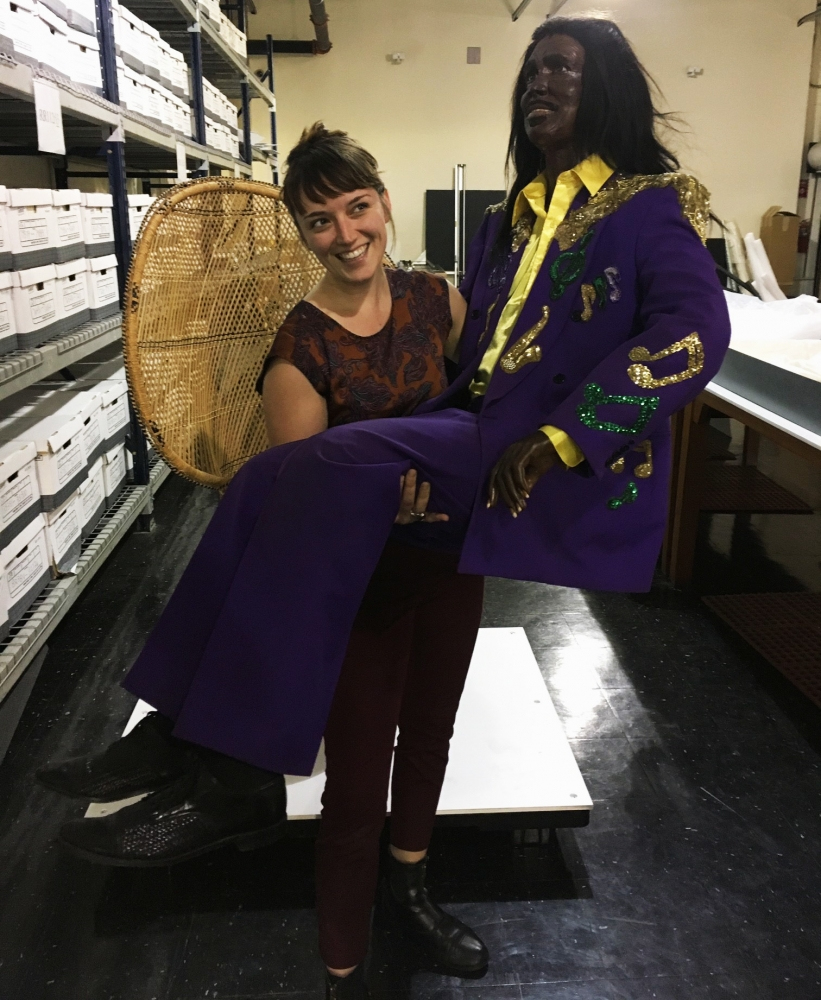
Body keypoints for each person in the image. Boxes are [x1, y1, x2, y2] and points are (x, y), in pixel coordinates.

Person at [39, 13, 732, 995]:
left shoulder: (645, 208)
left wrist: (563, 432)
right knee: (282, 477)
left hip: (525, 464)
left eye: (563, 71)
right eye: (530, 71)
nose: (538, 85)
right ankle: (206, 750)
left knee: (312, 482)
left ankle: (213, 752)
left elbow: (697, 329)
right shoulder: (505, 223)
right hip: (452, 467)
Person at [39, 125, 489, 989]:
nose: (347, 232)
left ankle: (411, 890)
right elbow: (305, 521)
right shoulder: (299, 348)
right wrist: (389, 493)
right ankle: (342, 966)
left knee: (430, 738)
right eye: (320, 220)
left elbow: (475, 409)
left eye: (357, 207)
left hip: (451, 569)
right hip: (357, 595)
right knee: (355, 791)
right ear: (301, 232)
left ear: (383, 202)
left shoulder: (439, 302)